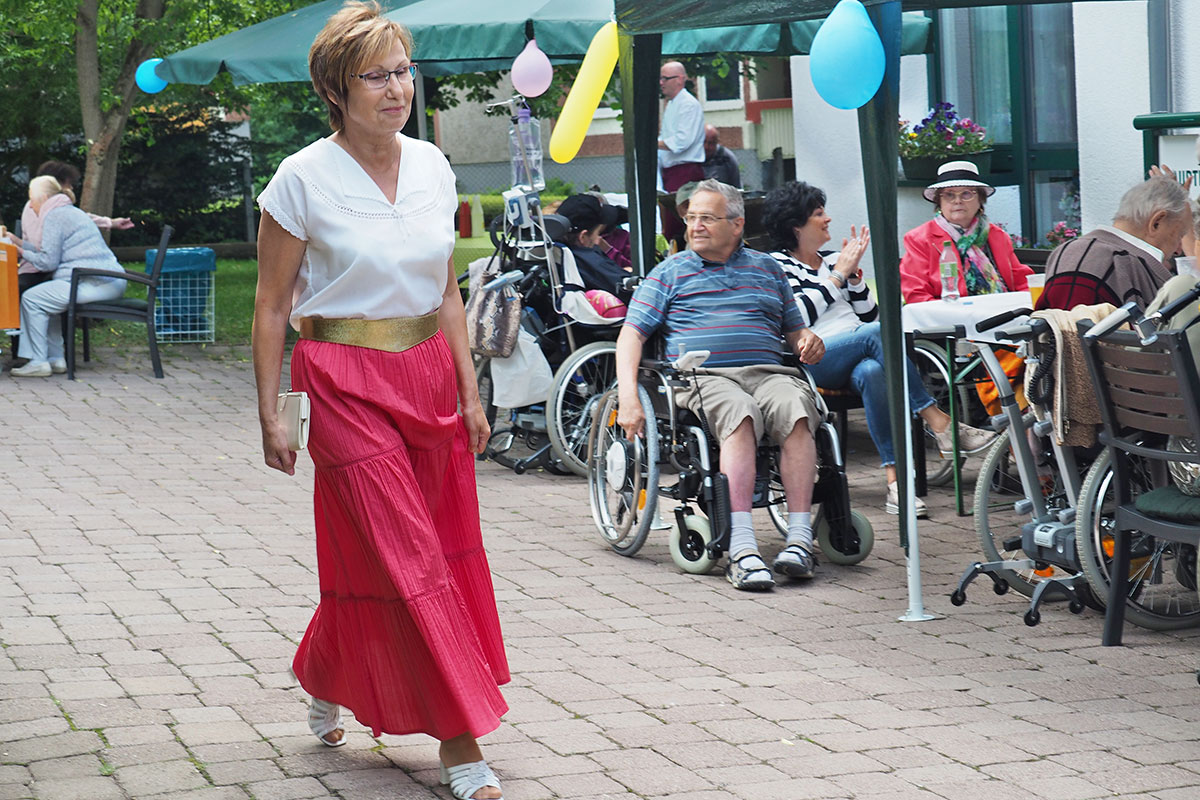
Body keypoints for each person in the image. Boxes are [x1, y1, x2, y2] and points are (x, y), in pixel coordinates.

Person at [251, 4, 507, 799]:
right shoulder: (300, 177)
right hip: (343, 377)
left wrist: (470, 390)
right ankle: (460, 743)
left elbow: (448, 289)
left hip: (428, 370)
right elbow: (269, 303)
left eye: (403, 70)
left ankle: (326, 668)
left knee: (411, 548)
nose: (397, 88)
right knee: (408, 554)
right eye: (377, 74)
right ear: (337, 86)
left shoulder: (434, 164)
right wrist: (271, 408)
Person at [616, 179, 826, 591]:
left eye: (707, 218)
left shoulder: (769, 269)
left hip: (769, 373)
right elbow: (631, 335)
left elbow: (795, 332)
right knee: (739, 414)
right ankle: (744, 549)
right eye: (691, 218)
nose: (695, 226)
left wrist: (808, 342)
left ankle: (800, 538)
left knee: (797, 411)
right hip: (703, 376)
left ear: (737, 224)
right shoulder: (670, 272)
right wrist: (628, 397)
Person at [764, 181, 997, 516]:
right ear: (795, 225)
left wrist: (855, 280)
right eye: (819, 214)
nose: (828, 219)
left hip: (861, 348)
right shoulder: (776, 266)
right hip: (815, 357)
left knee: (874, 370)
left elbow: (870, 315)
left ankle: (896, 485)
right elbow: (797, 317)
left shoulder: (833, 259)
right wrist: (838, 277)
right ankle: (939, 422)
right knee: (877, 334)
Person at [8, 176, 127, 378]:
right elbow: (48, 251)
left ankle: (38, 362)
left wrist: (20, 252)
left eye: (32, 200)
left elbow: (48, 262)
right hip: (106, 279)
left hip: (94, 282)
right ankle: (55, 359)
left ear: (43, 197)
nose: (30, 206)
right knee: (48, 300)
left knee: (31, 298)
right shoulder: (67, 211)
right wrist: (20, 244)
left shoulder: (54, 216)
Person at [1037, 175, 1190, 311]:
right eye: (1179, 235)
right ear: (1156, 222)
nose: (1178, 249)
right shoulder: (1125, 264)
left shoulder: (1066, 251)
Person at [899, 160, 1032, 302]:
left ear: (980, 199)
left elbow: (1022, 283)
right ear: (939, 202)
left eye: (966, 194)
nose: (958, 201)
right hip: (948, 317)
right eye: (949, 195)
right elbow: (916, 293)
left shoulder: (998, 235)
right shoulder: (919, 239)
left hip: (1001, 313)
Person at [657, 61, 705, 246]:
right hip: (674, 171)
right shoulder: (673, 104)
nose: (661, 83)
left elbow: (681, 142)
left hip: (685, 171)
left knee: (680, 222)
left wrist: (651, 143)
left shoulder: (688, 105)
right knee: (671, 222)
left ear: (680, 80)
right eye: (661, 78)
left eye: (665, 78)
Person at [554, 194, 631, 294]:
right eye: (598, 234)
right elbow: (627, 289)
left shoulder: (550, 253)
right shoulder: (589, 262)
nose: (597, 240)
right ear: (583, 237)